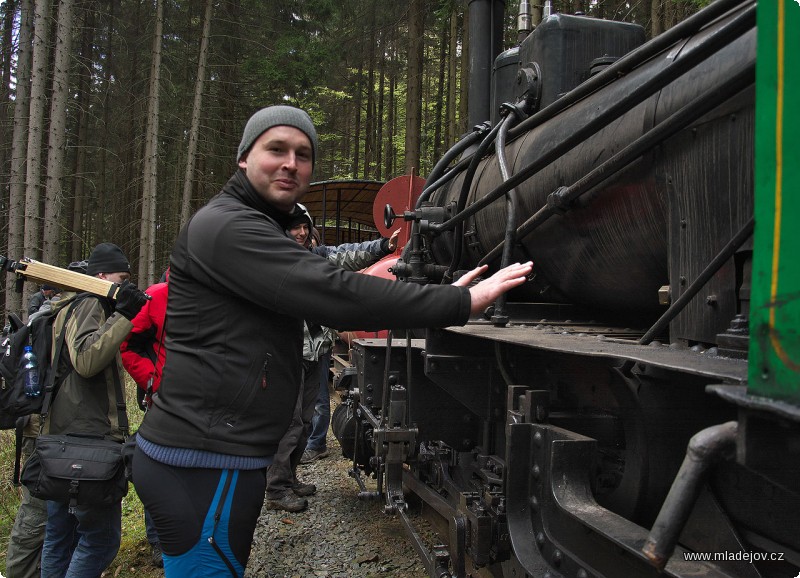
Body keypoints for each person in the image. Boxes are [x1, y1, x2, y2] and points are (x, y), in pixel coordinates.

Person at [130, 104, 531, 578]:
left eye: (303, 154)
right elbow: (335, 293)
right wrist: (458, 303)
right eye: (275, 149)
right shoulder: (229, 227)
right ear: (243, 158)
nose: (290, 163)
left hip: (213, 455)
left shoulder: (251, 223)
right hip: (204, 461)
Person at [265, 206, 399, 512]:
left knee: (306, 419)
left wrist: (383, 246)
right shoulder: (273, 261)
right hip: (288, 355)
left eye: (304, 228)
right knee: (289, 421)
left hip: (317, 352)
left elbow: (350, 254)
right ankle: (276, 489)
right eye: (293, 228)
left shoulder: (319, 257)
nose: (300, 233)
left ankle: (290, 477)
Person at [39, 243, 149, 578]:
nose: (127, 284)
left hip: (63, 438)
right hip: (86, 443)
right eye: (122, 276)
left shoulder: (70, 303)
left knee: (60, 536)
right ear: (101, 276)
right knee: (100, 540)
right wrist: (124, 314)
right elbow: (86, 361)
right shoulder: (89, 303)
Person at [5, 260, 92, 578]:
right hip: (42, 429)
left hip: (48, 427)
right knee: (37, 511)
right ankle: (21, 573)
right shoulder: (55, 318)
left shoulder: (52, 313)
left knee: (52, 514)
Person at [119, 271, 169, 568]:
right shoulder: (158, 295)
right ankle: (158, 539)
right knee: (157, 467)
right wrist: (153, 381)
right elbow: (128, 345)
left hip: (208, 404)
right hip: (164, 401)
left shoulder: (221, 293)